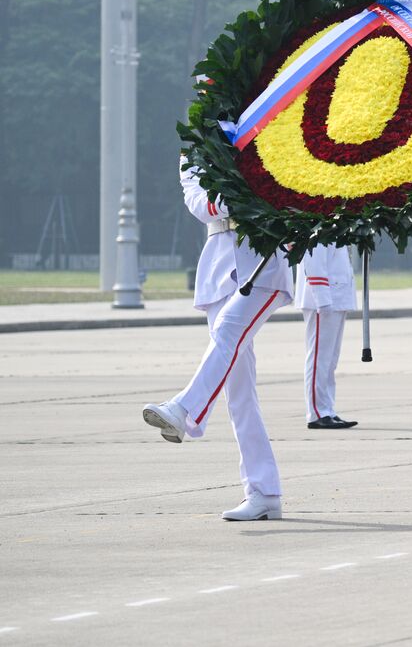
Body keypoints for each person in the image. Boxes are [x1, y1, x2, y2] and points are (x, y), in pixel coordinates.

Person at [141, 158, 294, 521]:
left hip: (263, 262)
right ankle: (263, 492)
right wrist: (238, 195)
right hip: (219, 267)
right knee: (239, 392)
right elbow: (198, 201)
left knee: (228, 330)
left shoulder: (260, 124)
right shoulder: (196, 146)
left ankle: (184, 409)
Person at [295, 244, 358, 430]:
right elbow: (313, 258)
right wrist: (322, 299)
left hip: (336, 294)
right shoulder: (319, 217)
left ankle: (327, 409)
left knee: (330, 361)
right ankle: (317, 413)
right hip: (323, 298)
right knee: (319, 360)